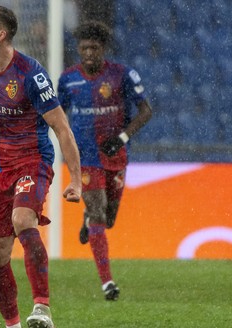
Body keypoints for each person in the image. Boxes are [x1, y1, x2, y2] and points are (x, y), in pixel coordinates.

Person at [0, 6, 82, 328]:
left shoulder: (30, 73)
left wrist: (76, 179)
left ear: (1, 34)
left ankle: (42, 309)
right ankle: (13, 325)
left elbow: (61, 127)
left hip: (32, 161)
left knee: (23, 219)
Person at [57, 21, 152, 301]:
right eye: (84, 48)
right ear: (78, 49)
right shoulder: (67, 79)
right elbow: (58, 115)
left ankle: (89, 221)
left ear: (103, 49)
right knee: (99, 211)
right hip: (85, 158)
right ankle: (107, 282)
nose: (88, 53)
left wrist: (122, 137)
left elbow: (146, 111)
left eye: (94, 48)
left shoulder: (122, 75)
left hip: (115, 155)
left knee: (107, 219)